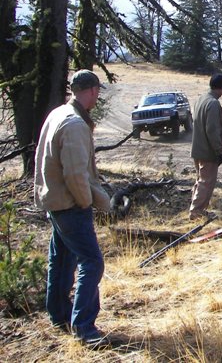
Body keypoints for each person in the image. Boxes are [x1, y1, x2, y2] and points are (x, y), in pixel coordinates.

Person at [33, 69, 112, 349]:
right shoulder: (75, 124)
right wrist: (87, 203)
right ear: (91, 91)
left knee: (63, 259)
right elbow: (76, 176)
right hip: (69, 205)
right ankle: (85, 328)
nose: (97, 97)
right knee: (92, 262)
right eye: (97, 92)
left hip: (54, 203)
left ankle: (59, 315)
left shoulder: (58, 113)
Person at [189, 73, 222, 220]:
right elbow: (212, 130)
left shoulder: (200, 99)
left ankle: (197, 209)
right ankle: (196, 212)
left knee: (200, 180)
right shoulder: (213, 103)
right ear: (221, 88)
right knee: (206, 182)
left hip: (197, 149)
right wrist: (218, 151)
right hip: (208, 151)